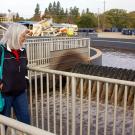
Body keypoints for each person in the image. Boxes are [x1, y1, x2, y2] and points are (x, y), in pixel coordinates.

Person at [0, 23, 32, 124]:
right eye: (23, 36)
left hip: (20, 92)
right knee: (4, 124)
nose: (25, 38)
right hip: (5, 93)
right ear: (15, 35)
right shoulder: (1, 50)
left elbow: (24, 68)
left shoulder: (23, 50)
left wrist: (25, 81)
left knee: (25, 121)